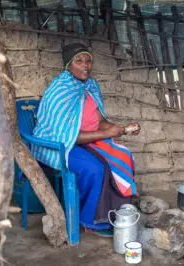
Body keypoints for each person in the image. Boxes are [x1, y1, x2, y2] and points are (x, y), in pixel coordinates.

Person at [31, 42, 140, 237]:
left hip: (87, 141)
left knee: (123, 157)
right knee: (94, 168)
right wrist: (106, 134)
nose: (85, 65)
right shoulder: (60, 89)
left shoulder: (90, 86)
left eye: (88, 61)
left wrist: (121, 129)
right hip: (58, 145)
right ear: (68, 65)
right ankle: (91, 221)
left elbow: (100, 121)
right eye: (79, 61)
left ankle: (116, 214)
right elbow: (66, 136)